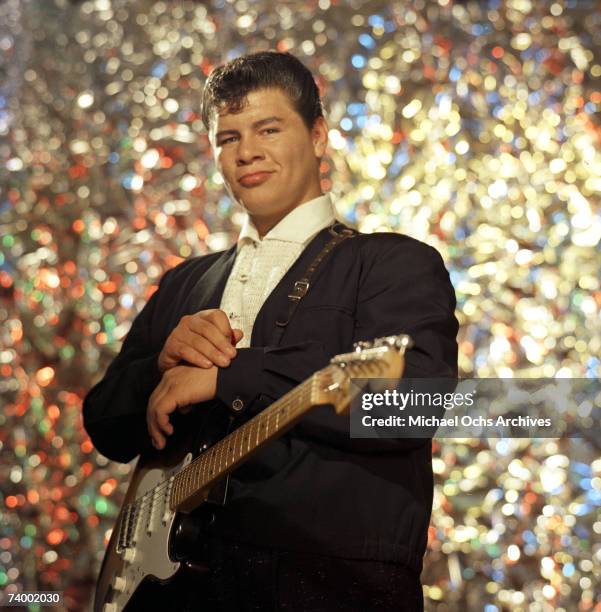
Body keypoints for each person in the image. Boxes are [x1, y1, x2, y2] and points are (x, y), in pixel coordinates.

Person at [83, 51, 458, 611]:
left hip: (327, 593)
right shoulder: (186, 282)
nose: (247, 152)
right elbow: (106, 426)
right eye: (227, 137)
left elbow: (416, 406)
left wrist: (233, 375)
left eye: (268, 128)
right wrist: (161, 366)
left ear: (319, 136)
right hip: (173, 592)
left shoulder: (392, 263)